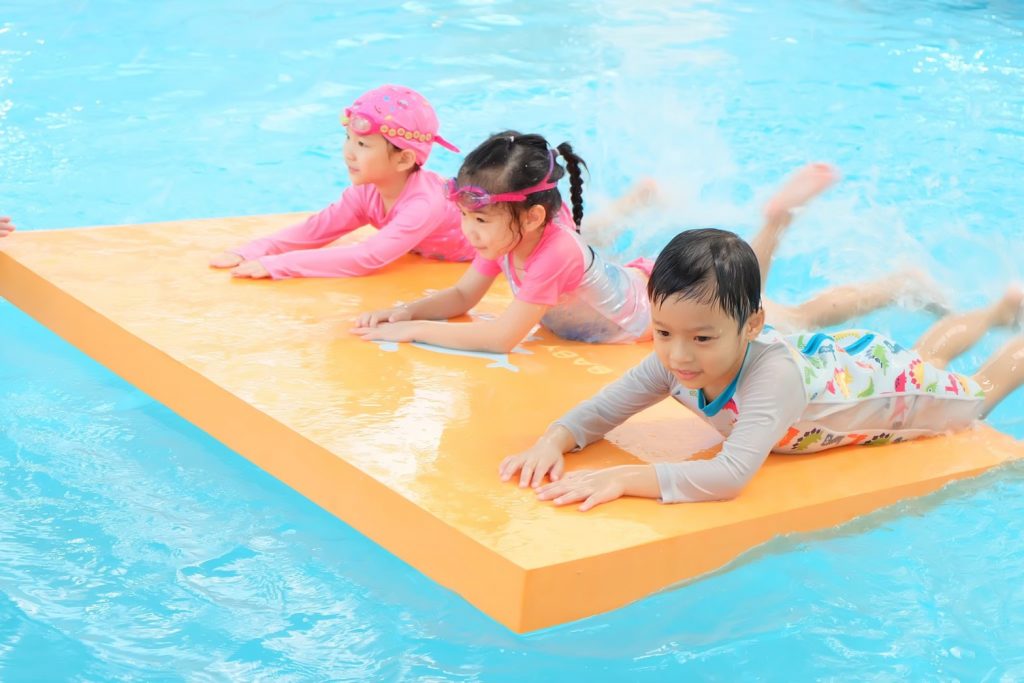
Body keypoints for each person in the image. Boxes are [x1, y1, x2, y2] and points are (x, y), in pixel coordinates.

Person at [499, 228, 1024, 510]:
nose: (678, 355)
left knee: (974, 394)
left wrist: (623, 478)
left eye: (701, 338)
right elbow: (603, 409)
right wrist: (553, 440)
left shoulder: (770, 381)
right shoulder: (676, 360)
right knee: (926, 362)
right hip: (848, 362)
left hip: (888, 391)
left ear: (752, 325)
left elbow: (729, 476)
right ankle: (999, 311)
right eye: (662, 332)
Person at [352, 131, 656, 352]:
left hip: (654, 309)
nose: (468, 231)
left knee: (585, 237)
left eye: (481, 220)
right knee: (590, 236)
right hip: (610, 289)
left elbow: (501, 339)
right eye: (464, 215)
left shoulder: (556, 252)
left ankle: (635, 202)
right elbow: (462, 295)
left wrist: (414, 330)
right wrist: (406, 312)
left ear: (532, 217)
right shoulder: (506, 237)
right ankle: (633, 203)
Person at [209, 84, 474, 279]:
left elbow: (366, 258)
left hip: (481, 254)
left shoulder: (424, 204)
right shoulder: (367, 192)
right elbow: (315, 231)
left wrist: (278, 265)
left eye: (362, 144)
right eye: (348, 138)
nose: (348, 152)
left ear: (404, 159)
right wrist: (252, 251)